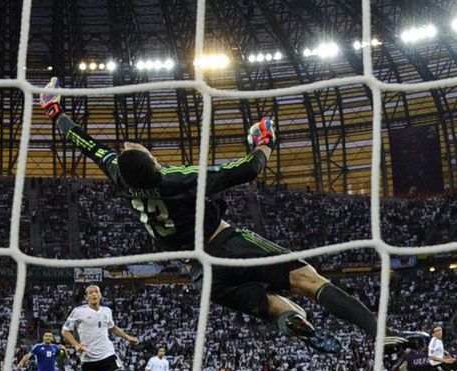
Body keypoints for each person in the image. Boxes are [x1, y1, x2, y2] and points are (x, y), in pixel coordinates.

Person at [39, 77, 418, 354]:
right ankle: (378, 332)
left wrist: (54, 111)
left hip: (201, 272)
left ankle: (292, 321)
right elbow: (249, 169)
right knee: (307, 279)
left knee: (278, 306)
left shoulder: (118, 173)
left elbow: (82, 141)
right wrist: (264, 140)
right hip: (224, 243)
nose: (128, 144)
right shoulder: (177, 180)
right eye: (141, 148)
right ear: (152, 163)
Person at [61, 285, 149, 371]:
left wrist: (128, 337)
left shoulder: (106, 311)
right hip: (89, 358)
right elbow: (65, 331)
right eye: (90, 292)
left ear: (100, 295)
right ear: (86, 297)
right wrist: (76, 345)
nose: (94, 294)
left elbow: (112, 327)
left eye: (96, 292)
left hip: (107, 353)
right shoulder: (78, 312)